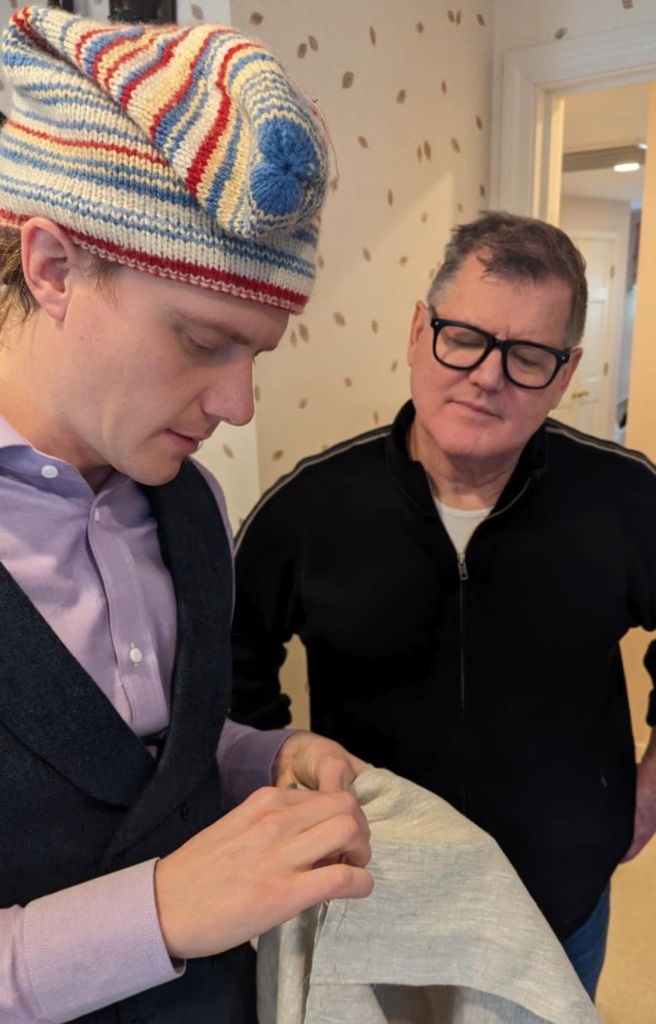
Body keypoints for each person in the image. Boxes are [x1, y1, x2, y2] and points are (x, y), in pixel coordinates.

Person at [0, 8, 374, 1024]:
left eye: (256, 353)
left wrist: (260, 758)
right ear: (52, 266)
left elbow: (142, 754)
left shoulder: (189, 505)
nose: (238, 403)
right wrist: (149, 917)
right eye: (201, 339)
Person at [230, 211, 656, 1002]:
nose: (487, 376)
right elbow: (230, 665)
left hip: (557, 900)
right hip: (377, 897)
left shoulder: (626, 499)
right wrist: (284, 787)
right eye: (463, 337)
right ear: (418, 330)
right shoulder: (308, 509)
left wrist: (649, 785)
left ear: (564, 373)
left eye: (527, 356)